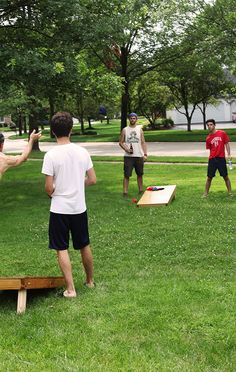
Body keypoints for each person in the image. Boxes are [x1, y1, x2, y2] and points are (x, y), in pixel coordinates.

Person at [41, 112, 96, 298]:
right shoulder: (82, 152)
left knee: (61, 248)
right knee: (84, 244)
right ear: (71, 130)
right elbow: (92, 179)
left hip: (59, 209)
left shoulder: (51, 155)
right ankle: (89, 281)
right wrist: (77, 185)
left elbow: (49, 188)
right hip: (79, 207)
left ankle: (71, 289)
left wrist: (56, 191)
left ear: (53, 132)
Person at [119, 113, 147, 196]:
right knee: (126, 175)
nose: (132, 120)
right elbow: (121, 142)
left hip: (139, 155)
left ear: (136, 119)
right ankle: (125, 192)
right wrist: (127, 149)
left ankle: (141, 190)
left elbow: (143, 142)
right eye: (131, 118)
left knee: (140, 174)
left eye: (134, 118)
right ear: (129, 119)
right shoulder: (125, 130)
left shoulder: (139, 130)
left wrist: (145, 154)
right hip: (128, 157)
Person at [203, 119, 232, 197]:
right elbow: (210, 149)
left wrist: (229, 154)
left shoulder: (222, 133)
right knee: (209, 177)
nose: (209, 126)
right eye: (208, 125)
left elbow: (226, 143)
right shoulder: (208, 138)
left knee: (225, 176)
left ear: (215, 125)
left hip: (221, 158)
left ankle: (230, 192)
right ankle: (205, 193)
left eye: (211, 124)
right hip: (212, 159)